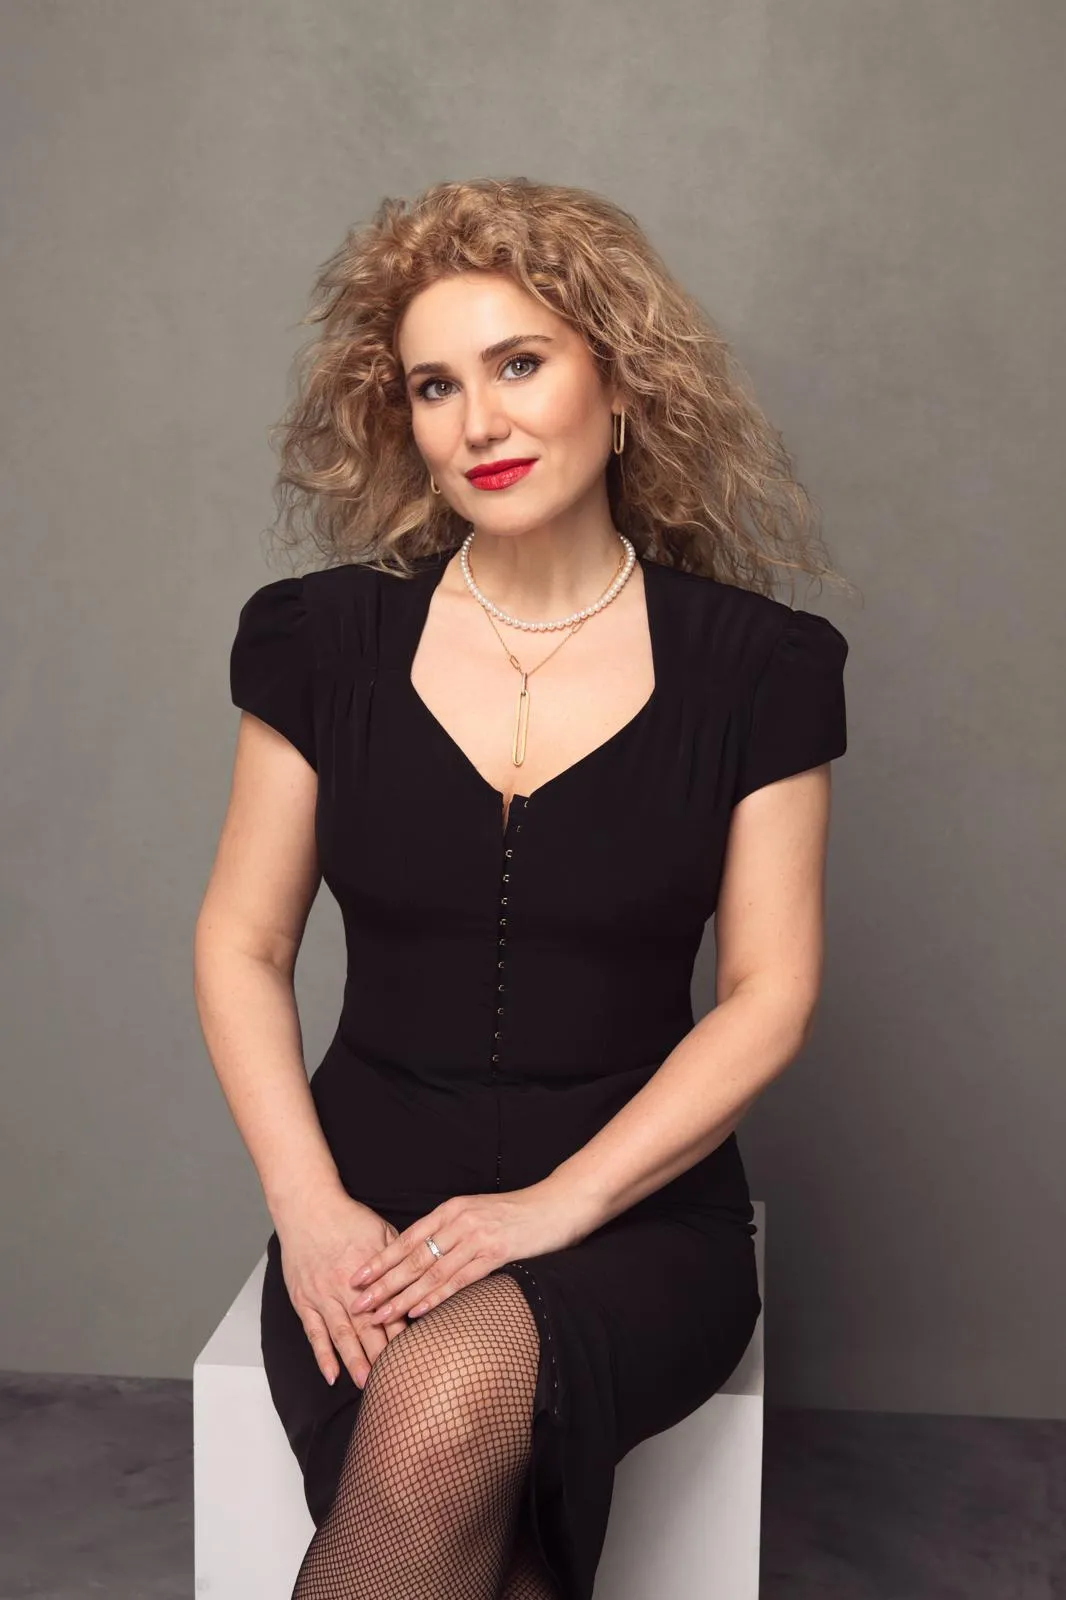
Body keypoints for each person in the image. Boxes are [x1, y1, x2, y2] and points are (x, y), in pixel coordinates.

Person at [193, 176, 853, 1600]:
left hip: (635, 1215)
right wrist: (309, 1209)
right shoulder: (320, 641)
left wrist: (555, 1206)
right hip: (367, 1213)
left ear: (617, 385)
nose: (478, 422)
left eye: (518, 364)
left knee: (448, 1398)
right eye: (435, 386)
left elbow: (769, 994)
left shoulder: (762, 668)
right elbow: (242, 943)